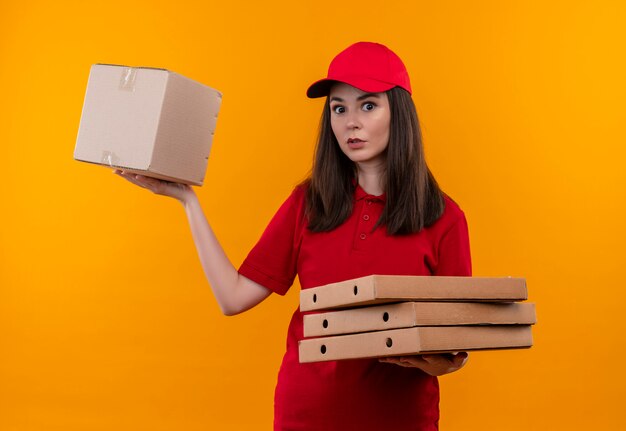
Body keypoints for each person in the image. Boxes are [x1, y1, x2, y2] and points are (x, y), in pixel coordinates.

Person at [115, 41, 472, 431]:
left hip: (400, 419)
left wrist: (439, 359)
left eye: (368, 105)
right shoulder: (308, 203)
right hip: (305, 415)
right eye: (339, 108)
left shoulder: (443, 217)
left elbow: (455, 343)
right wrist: (188, 201)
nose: (350, 122)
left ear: (398, 112)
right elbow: (233, 297)